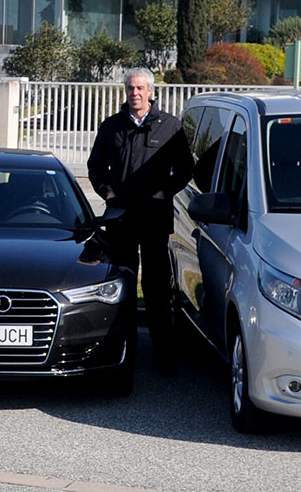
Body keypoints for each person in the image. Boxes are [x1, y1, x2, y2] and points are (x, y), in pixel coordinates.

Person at [87, 67, 192, 375]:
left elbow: (186, 169)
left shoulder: (170, 127)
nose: (135, 93)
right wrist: (108, 193)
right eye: (130, 88)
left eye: (140, 89)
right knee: (123, 287)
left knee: (157, 289)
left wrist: (164, 191)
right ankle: (124, 354)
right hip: (121, 220)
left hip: (155, 220)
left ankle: (163, 358)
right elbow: (95, 168)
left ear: (150, 92)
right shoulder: (112, 127)